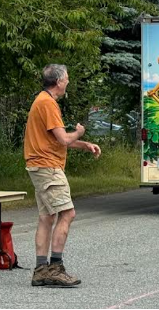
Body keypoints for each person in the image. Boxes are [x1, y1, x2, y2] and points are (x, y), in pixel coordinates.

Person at [24, 64, 102, 287]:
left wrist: (84, 144)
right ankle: (55, 268)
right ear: (58, 81)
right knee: (68, 214)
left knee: (47, 217)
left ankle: (41, 270)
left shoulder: (43, 100)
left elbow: (56, 139)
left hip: (40, 166)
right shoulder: (47, 103)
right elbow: (64, 139)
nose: (68, 81)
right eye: (66, 78)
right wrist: (79, 132)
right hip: (47, 168)